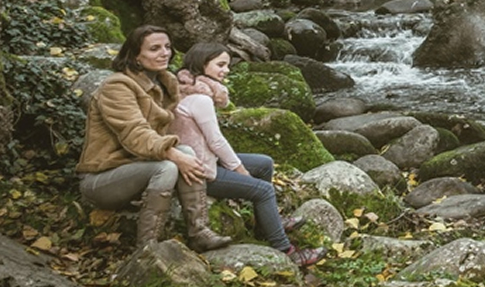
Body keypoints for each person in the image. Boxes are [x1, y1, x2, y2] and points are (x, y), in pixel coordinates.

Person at [78, 26, 232, 252]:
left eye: (167, 47)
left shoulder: (164, 84)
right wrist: (174, 155)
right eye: (154, 48)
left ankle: (199, 232)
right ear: (135, 56)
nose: (164, 53)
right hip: (101, 178)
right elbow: (136, 134)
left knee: (187, 152)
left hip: (137, 167)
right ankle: (147, 247)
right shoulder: (116, 87)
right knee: (167, 167)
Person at [172, 42, 323, 267]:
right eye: (221, 65)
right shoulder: (200, 98)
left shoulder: (187, 88)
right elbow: (216, 141)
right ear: (203, 65)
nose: (227, 70)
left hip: (204, 159)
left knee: (264, 163)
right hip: (199, 171)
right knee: (263, 190)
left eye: (228, 65)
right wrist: (238, 169)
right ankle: (286, 250)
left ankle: (266, 224)